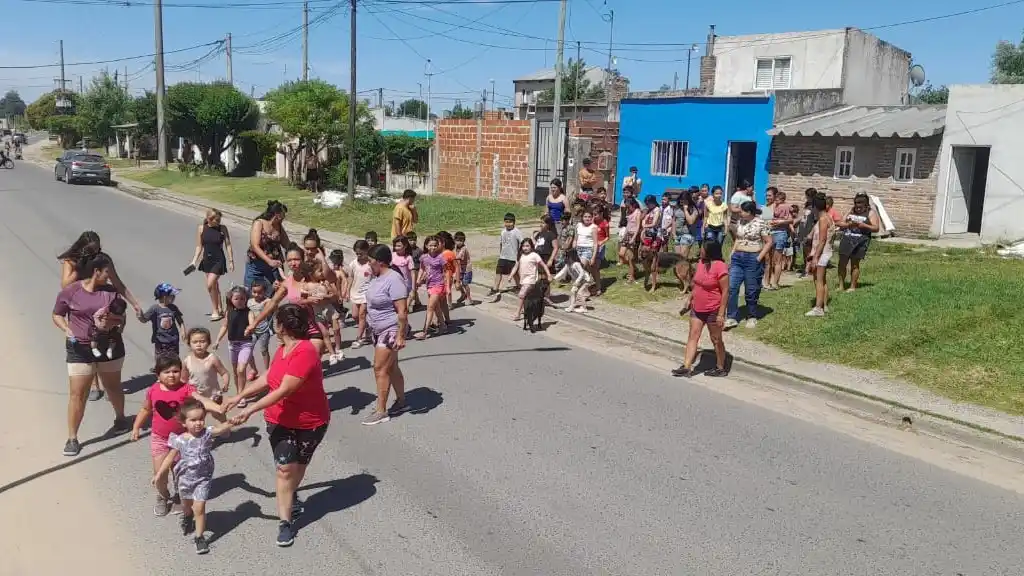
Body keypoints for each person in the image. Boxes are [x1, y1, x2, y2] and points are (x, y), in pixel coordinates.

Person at [227, 304, 331, 548]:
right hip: (279, 420)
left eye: (275, 322)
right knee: (285, 468)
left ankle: (290, 493)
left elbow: (285, 388)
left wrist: (250, 410)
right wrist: (238, 397)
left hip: (311, 421)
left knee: (297, 468)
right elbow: (269, 378)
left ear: (281, 326)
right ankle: (285, 522)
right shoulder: (282, 349)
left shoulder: (306, 351)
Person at [53, 252, 132, 456]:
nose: (109, 276)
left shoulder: (111, 292)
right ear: (96, 272)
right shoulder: (71, 292)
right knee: (78, 394)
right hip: (79, 349)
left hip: (110, 347)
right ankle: (72, 438)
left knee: (113, 386)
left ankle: (120, 418)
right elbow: (57, 314)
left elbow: (122, 316)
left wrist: (118, 325)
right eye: (107, 272)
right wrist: (66, 329)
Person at [131, 355, 223, 519]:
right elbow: (146, 409)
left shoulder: (186, 389)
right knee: (160, 472)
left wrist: (218, 408)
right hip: (160, 438)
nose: (172, 375)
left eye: (176, 371)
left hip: (183, 440)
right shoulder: (153, 389)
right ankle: (162, 495)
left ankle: (181, 496)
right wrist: (136, 427)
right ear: (158, 374)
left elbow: (200, 399)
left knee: (180, 472)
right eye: (167, 372)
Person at [58, 231, 142, 402]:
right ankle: (94, 384)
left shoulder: (103, 260)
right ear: (82, 249)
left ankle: (106, 383)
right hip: (79, 305)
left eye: (96, 250)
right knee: (86, 342)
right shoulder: (71, 261)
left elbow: (117, 282)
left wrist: (134, 303)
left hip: (101, 302)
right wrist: (80, 266)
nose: (94, 254)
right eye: (90, 251)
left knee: (102, 339)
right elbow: (65, 285)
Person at [155, 397, 236, 554]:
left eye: (201, 419)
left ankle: (200, 537)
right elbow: (170, 458)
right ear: (184, 423)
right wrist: (159, 474)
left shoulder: (207, 433)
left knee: (199, 507)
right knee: (187, 506)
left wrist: (235, 420)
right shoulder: (180, 440)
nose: (198, 423)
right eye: (193, 420)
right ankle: (187, 516)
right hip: (185, 478)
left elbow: (222, 428)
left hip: (203, 478)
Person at [246, 245, 327, 356]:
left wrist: (318, 296)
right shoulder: (287, 283)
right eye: (289, 260)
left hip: (313, 327)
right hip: (294, 331)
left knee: (314, 356)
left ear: (303, 260)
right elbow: (272, 303)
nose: (293, 263)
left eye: (296, 259)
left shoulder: (313, 278)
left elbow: (330, 294)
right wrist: (254, 323)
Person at [361, 245, 411, 426]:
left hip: (390, 330)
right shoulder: (377, 277)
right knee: (392, 367)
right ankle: (402, 401)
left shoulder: (394, 279)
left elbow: (402, 310)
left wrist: (400, 336)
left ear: (380, 261)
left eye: (370, 260)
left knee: (380, 369)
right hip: (378, 330)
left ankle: (381, 411)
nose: (368, 263)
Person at [672, 240, 729, 378]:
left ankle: (721, 367)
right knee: (693, 336)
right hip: (697, 308)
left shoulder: (720, 267)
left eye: (702, 248)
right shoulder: (701, 264)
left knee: (715, 339)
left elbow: (726, 291)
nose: (700, 250)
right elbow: (697, 284)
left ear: (710, 251)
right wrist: (690, 298)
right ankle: (686, 367)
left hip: (713, 310)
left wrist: (721, 314)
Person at [726, 201, 772, 329]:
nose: (739, 213)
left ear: (749, 212)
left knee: (751, 289)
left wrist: (759, 257)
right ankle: (731, 317)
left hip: (752, 258)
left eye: (742, 211)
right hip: (738, 258)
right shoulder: (741, 222)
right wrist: (732, 253)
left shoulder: (761, 223)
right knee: (732, 287)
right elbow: (738, 239)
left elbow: (768, 242)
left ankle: (752, 315)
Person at [188, 208, 233, 320]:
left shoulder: (222, 228)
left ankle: (215, 310)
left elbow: (228, 245)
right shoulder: (201, 228)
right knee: (213, 285)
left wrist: (231, 260)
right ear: (209, 219)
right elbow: (199, 246)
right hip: (207, 259)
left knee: (209, 284)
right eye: (216, 220)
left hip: (219, 260)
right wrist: (194, 260)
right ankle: (220, 308)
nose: (218, 222)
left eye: (219, 220)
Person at [215, 286, 258, 399]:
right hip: (233, 345)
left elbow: (252, 324)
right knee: (235, 372)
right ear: (231, 299)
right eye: (236, 299)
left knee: (241, 369)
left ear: (246, 299)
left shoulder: (249, 313)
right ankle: (239, 392)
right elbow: (224, 327)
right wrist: (217, 340)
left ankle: (241, 396)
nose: (239, 301)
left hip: (246, 344)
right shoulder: (228, 312)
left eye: (242, 299)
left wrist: (250, 328)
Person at [181, 327, 230, 419]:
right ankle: (200, 432)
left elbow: (224, 373)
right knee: (198, 417)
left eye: (202, 341)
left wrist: (226, 383)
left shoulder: (212, 358)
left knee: (219, 414)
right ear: (189, 344)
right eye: (195, 342)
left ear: (208, 343)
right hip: (196, 396)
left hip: (214, 395)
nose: (199, 345)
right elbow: (183, 380)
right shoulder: (187, 361)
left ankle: (225, 431)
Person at [837, 192, 880, 292]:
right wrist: (848, 225)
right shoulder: (851, 210)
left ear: (866, 204)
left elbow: (876, 228)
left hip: (861, 241)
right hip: (847, 238)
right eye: (856, 203)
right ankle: (841, 286)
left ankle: (852, 286)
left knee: (855, 264)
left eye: (860, 204)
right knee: (842, 263)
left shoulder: (871, 213)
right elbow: (840, 223)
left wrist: (864, 226)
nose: (858, 206)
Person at [246, 200, 289, 292]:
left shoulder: (279, 226)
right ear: (277, 214)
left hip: (274, 268)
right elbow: (255, 245)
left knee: (272, 295)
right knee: (252, 294)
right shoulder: (259, 223)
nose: (284, 217)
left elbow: (287, 245)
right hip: (256, 266)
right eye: (283, 214)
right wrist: (269, 261)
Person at [806, 193, 837, 317]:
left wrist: (815, 257)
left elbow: (822, 240)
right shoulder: (827, 217)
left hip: (822, 253)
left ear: (815, 207)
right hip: (825, 252)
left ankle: (818, 308)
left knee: (818, 281)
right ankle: (824, 304)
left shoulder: (823, 219)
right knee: (822, 280)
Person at [510, 238, 552, 321]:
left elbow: (543, 265)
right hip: (523, 279)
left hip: (531, 279)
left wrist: (549, 275)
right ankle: (529, 310)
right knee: (527, 296)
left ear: (531, 247)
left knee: (521, 295)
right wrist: (511, 275)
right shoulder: (521, 255)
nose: (525, 248)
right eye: (523, 246)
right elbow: (516, 266)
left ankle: (517, 314)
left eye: (527, 246)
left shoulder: (534, 255)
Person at [141, 283, 185, 361]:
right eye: (172, 296)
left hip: (173, 339)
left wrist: (183, 331)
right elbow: (144, 320)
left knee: (174, 359)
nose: (174, 297)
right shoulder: (154, 309)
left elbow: (180, 321)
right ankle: (160, 369)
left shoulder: (173, 307)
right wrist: (140, 315)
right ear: (164, 297)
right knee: (160, 359)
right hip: (160, 340)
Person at [416, 235, 448, 339]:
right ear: (426, 246)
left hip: (438, 285)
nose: (433, 248)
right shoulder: (424, 257)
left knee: (430, 307)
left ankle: (424, 331)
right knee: (436, 307)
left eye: (435, 245)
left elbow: (446, 271)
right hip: (429, 285)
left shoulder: (441, 258)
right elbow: (422, 268)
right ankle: (443, 326)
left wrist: (447, 286)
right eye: (431, 245)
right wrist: (419, 279)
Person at [489, 213, 523, 300]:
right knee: (498, 272)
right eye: (506, 222)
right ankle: (495, 288)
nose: (508, 224)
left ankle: (520, 287)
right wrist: (501, 254)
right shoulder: (503, 231)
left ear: (514, 222)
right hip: (503, 257)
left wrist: (520, 255)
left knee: (515, 274)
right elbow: (501, 244)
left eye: (510, 222)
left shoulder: (517, 232)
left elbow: (522, 243)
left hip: (513, 257)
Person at [347, 240, 373, 348]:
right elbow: (351, 277)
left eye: (361, 253)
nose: (359, 255)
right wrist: (347, 291)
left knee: (362, 315)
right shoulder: (353, 264)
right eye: (357, 253)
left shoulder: (371, 264)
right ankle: (366, 327)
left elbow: (376, 277)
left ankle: (359, 338)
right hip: (355, 292)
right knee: (355, 315)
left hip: (366, 294)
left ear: (366, 251)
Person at [552, 248, 594, 313]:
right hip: (578, 281)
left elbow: (582, 273)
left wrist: (577, 282)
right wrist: (554, 278)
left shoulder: (576, 264)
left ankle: (584, 308)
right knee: (573, 292)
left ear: (571, 257)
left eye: (567, 256)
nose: (566, 258)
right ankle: (571, 306)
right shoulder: (568, 265)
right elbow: (562, 272)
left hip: (585, 280)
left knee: (580, 293)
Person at [766, 188, 792, 291]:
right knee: (768, 260)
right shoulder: (767, 207)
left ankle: (775, 283)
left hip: (780, 233)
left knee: (777, 259)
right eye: (766, 195)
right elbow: (765, 221)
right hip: (768, 233)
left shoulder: (783, 206)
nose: (768, 198)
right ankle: (766, 282)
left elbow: (790, 220)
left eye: (770, 196)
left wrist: (780, 222)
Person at [639, 195, 664, 293]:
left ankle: (653, 284)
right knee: (645, 259)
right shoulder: (649, 210)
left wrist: (645, 225)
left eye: (648, 203)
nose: (647, 205)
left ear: (653, 202)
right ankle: (647, 280)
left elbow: (654, 224)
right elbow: (643, 220)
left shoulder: (657, 210)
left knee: (653, 263)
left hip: (654, 237)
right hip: (647, 236)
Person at [247, 283, 275, 372]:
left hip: (264, 330)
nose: (256, 294)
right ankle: (253, 369)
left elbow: (274, 305)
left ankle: (267, 370)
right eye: (254, 292)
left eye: (259, 292)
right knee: (248, 350)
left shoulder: (266, 301)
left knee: (264, 350)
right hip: (252, 331)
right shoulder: (249, 302)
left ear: (264, 292)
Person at [618, 197, 641, 283]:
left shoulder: (637, 212)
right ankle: (634, 268)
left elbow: (638, 226)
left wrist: (634, 238)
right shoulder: (629, 212)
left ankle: (631, 277)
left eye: (628, 206)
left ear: (633, 204)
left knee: (630, 258)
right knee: (621, 254)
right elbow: (628, 225)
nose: (627, 208)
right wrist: (624, 235)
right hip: (627, 235)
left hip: (633, 236)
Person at [454, 231, 473, 306]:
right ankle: (463, 294)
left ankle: (469, 298)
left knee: (465, 284)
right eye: (457, 240)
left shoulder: (463, 249)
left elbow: (458, 257)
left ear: (463, 241)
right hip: (459, 268)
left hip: (466, 269)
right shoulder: (455, 247)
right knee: (456, 282)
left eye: (461, 241)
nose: (459, 242)